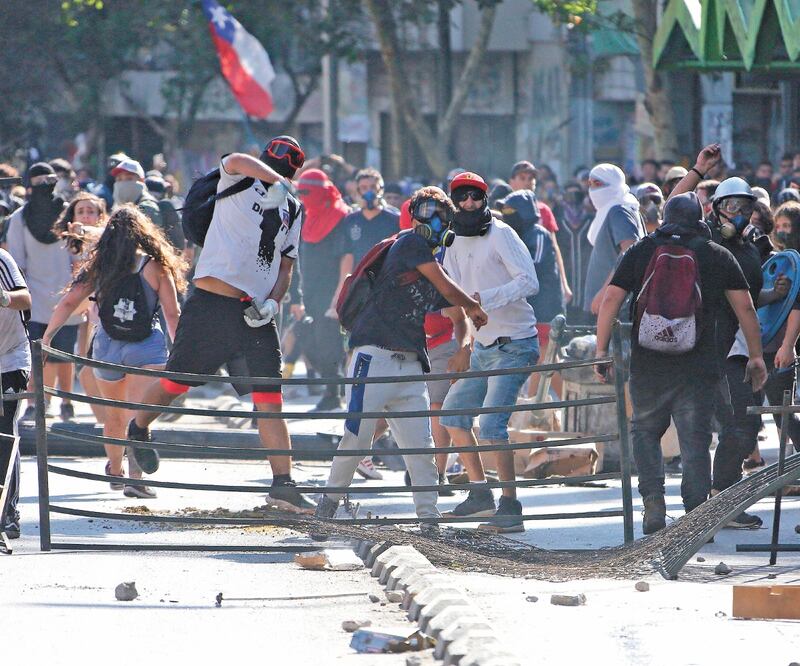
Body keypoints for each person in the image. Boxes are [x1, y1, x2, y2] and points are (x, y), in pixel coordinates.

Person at [127, 136, 313, 512]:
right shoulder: (241, 178)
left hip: (254, 313)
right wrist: (276, 181)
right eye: (275, 163)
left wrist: (274, 302)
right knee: (176, 383)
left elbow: (286, 266)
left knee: (270, 398)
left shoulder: (294, 208)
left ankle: (283, 484)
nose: (280, 170)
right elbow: (235, 158)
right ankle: (138, 428)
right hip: (211, 304)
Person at [313, 186, 487, 533]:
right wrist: (474, 305)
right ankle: (328, 507)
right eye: (423, 212)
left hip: (410, 364)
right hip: (373, 357)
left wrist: (465, 345)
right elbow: (452, 293)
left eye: (437, 215)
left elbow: (456, 315)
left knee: (421, 449)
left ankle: (429, 520)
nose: (429, 221)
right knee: (356, 439)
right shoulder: (409, 244)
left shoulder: (432, 265)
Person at [595, 192, 767, 534]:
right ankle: (695, 517)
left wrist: (601, 350)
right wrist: (756, 356)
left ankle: (653, 503)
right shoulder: (716, 254)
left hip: (648, 365)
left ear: (665, 218)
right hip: (698, 368)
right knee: (695, 440)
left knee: (645, 431)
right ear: (700, 220)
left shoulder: (642, 250)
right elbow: (746, 308)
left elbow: (611, 298)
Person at [43, 206, 186, 498]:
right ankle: (136, 480)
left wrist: (46, 338)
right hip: (146, 345)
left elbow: (69, 302)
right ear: (144, 233)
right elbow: (172, 314)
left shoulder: (100, 265)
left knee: (114, 415)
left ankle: (116, 471)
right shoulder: (156, 266)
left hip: (107, 344)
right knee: (138, 414)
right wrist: (181, 352)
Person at [439, 171, 540, 533]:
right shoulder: (451, 240)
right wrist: (464, 340)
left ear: (485, 199)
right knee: (452, 416)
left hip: (515, 343)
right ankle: (480, 494)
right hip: (482, 346)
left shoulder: (501, 233)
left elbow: (529, 281)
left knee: (492, 425)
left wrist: (485, 300)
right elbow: (455, 294)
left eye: (476, 196)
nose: (469, 203)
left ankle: (511, 508)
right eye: (462, 197)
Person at [4, 162, 79, 422]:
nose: (44, 187)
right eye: (38, 182)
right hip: (34, 299)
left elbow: (76, 255)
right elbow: (18, 264)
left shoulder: (67, 214)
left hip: (66, 296)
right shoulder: (19, 219)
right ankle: (37, 402)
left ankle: (67, 402)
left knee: (65, 355)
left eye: (48, 180)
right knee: (37, 355)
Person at [294, 168, 351, 411]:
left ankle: (333, 394)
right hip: (308, 292)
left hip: (331, 294)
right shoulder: (305, 218)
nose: (302, 197)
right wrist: (295, 295)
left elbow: (346, 260)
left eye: (307, 192)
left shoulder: (341, 218)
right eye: (300, 192)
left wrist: (337, 299)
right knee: (306, 340)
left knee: (329, 346)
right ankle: (334, 387)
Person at [53, 192, 109, 425]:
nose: (86, 216)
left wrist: (85, 232)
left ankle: (113, 425)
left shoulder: (109, 237)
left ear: (100, 215)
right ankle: (110, 426)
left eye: (91, 211)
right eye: (81, 212)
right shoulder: (66, 243)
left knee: (94, 371)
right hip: (82, 309)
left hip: (104, 311)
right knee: (87, 370)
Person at [0, 249, 32, 539]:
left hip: (9, 359)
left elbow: (25, 298)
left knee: (4, 433)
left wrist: (3, 297)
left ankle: (7, 514)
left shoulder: (2, 259)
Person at [583, 163, 645, 316]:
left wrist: (606, 293)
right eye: (590, 184)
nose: (593, 189)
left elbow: (630, 251)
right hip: (608, 305)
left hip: (614, 306)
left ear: (614, 184)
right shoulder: (614, 210)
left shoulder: (619, 211)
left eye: (598, 184)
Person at [555, 181, 593, 323]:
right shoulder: (558, 224)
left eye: (577, 195)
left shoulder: (592, 222)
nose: (573, 200)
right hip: (565, 292)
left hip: (588, 293)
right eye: (569, 195)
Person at [110, 159, 163, 229]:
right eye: (119, 179)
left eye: (129, 179)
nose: (123, 183)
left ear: (141, 180)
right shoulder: (117, 206)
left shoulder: (147, 207)